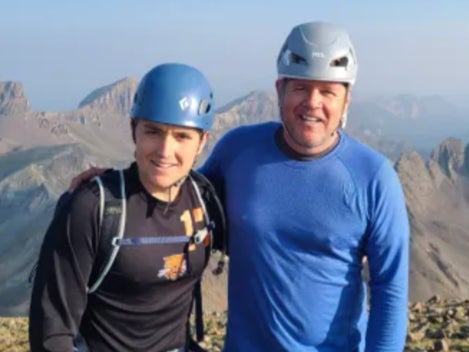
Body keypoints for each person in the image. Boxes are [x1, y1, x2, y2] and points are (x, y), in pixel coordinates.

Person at [68, 21, 410, 351]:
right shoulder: (239, 150)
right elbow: (177, 193)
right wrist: (116, 183)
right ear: (280, 90)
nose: (313, 103)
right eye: (301, 88)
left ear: (346, 100)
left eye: (328, 92)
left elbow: (390, 288)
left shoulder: (374, 177)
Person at [29, 63, 225, 352]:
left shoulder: (206, 200)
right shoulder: (92, 208)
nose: (165, 150)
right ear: (134, 130)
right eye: (153, 132)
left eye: (182, 136)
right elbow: (51, 334)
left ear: (202, 142)